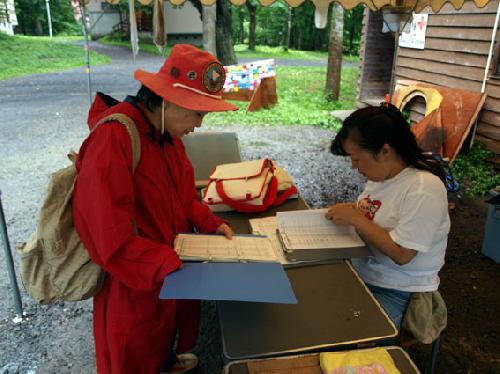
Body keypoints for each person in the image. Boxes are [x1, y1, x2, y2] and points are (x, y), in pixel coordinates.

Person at [73, 44, 236, 374]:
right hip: (132, 287)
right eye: (198, 113)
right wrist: (168, 263)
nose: (200, 124)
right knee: (133, 358)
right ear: (171, 101)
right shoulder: (114, 139)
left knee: (162, 347)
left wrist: (210, 223)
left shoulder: (167, 136)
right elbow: (108, 240)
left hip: (167, 275)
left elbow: (185, 197)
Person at [326, 103, 450, 329]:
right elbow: (373, 213)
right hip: (364, 273)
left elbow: (402, 254)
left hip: (400, 289)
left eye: (356, 158)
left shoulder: (423, 188)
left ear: (384, 151)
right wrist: (349, 212)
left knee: (342, 332)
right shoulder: (381, 177)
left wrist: (355, 218)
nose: (354, 167)